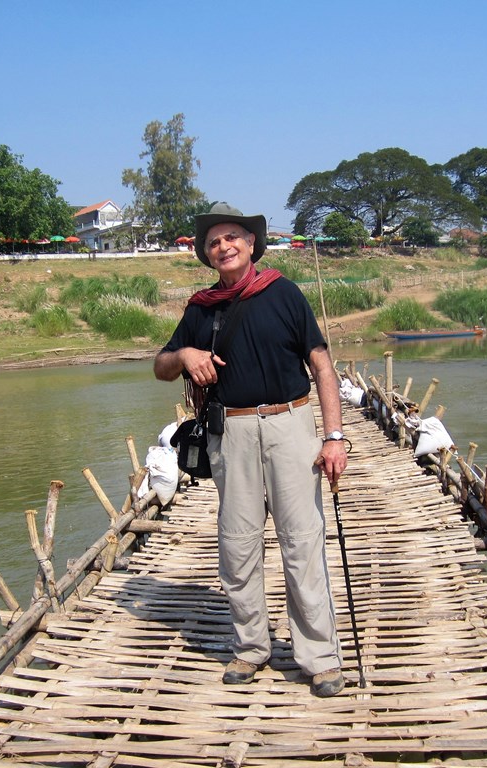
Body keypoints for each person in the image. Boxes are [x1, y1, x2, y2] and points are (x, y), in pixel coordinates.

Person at [153, 202, 348, 697]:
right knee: (238, 545)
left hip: (291, 426)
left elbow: (323, 367)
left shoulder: (284, 293)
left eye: (233, 237)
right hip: (231, 434)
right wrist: (186, 354)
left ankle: (319, 657)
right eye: (214, 241)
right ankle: (250, 648)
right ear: (206, 254)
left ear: (252, 243)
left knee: (302, 541)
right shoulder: (199, 309)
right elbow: (160, 366)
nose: (224, 246)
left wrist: (333, 437)